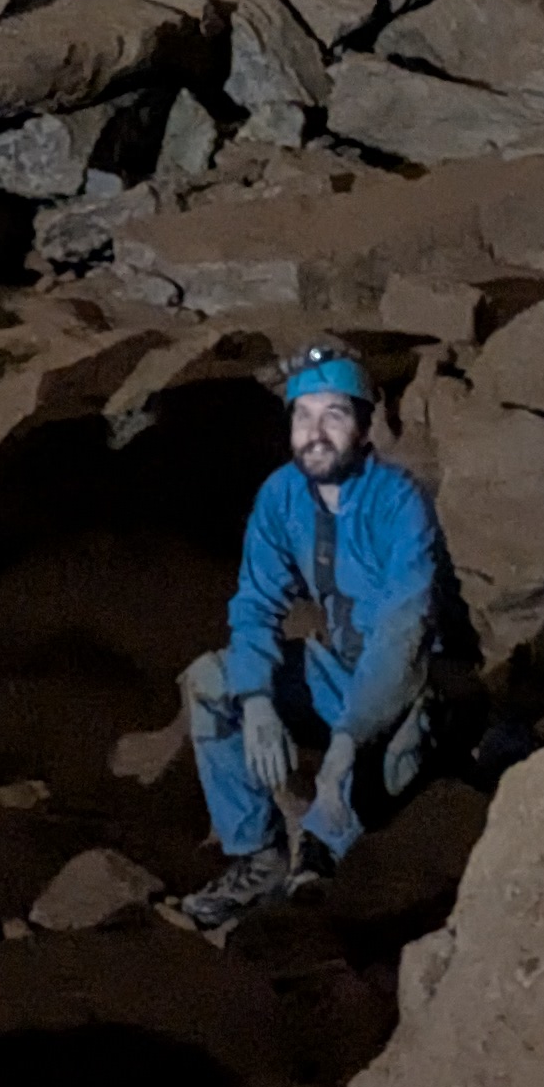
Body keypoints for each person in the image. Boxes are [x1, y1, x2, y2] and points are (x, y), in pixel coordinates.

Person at [175, 343, 448, 936]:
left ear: (362, 423)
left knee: (381, 780)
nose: (315, 432)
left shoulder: (399, 503)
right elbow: (255, 605)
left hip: (402, 685)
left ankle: (319, 864)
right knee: (207, 682)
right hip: (334, 667)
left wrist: (348, 741)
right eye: (303, 416)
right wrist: (256, 700)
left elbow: (402, 637)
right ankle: (258, 854)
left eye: (333, 415)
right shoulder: (281, 496)